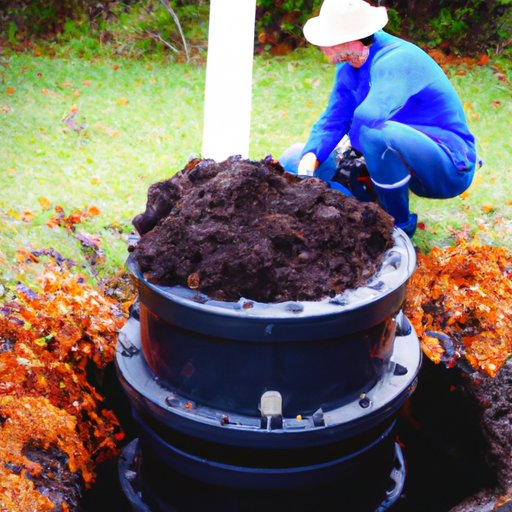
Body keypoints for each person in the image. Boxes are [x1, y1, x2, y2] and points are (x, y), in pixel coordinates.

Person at [279, 0, 478, 237]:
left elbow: (369, 118)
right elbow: (334, 119)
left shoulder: (397, 58)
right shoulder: (349, 67)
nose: (321, 45)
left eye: (327, 39)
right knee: (293, 159)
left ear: (351, 39)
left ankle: (397, 230)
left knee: (375, 134)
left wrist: (345, 153)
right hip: (390, 158)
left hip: (445, 164)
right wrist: (309, 161)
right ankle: (357, 217)